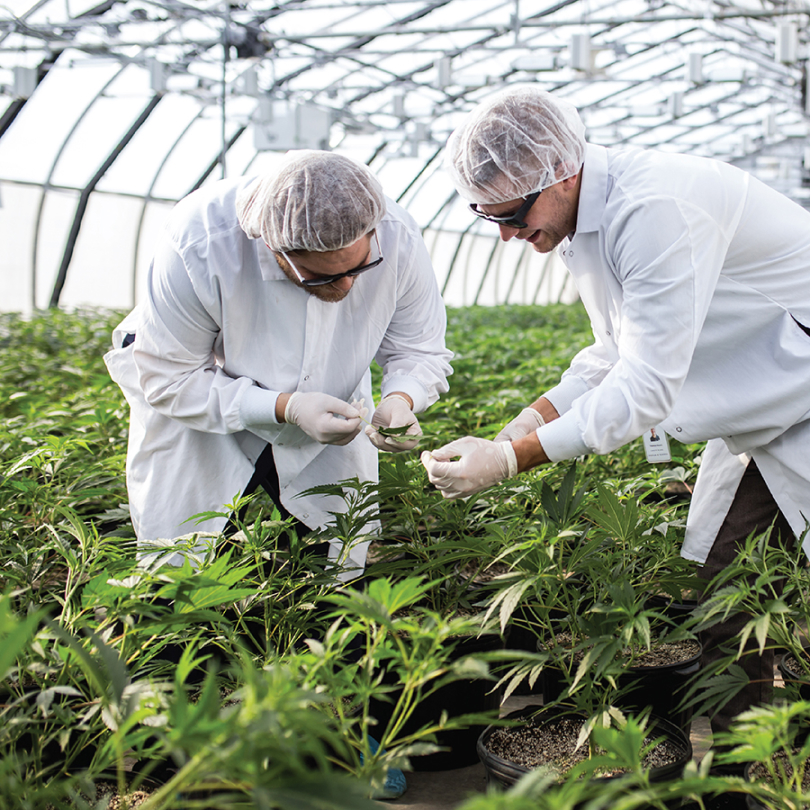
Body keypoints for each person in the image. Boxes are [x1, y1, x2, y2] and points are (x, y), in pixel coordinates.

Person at [422, 86, 809, 744]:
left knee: (744, 592)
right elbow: (612, 352)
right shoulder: (583, 222)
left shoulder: (655, 206)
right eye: (488, 219)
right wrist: (525, 419)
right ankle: (738, 768)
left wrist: (513, 459)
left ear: (559, 172)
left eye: (512, 214)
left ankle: (767, 756)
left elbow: (644, 388)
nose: (508, 236)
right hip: (764, 410)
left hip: (796, 397)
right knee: (726, 591)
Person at [105, 149, 452, 579]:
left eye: (360, 268)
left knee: (323, 569)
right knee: (192, 572)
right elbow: (171, 377)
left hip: (330, 399)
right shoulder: (200, 242)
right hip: (205, 415)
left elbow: (418, 347)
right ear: (275, 249)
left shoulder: (398, 237)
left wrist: (403, 398)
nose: (345, 285)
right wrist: (285, 407)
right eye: (322, 276)